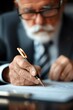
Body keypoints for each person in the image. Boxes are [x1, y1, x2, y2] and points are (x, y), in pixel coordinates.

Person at [0, 0, 73, 86]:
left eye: (47, 10)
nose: (39, 22)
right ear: (17, 6)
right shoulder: (5, 23)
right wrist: (6, 73)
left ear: (62, 4)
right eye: (28, 11)